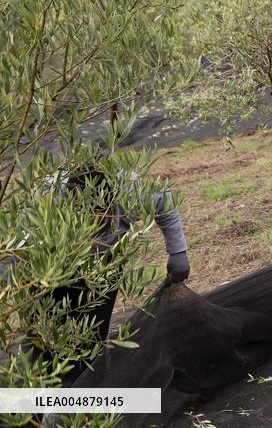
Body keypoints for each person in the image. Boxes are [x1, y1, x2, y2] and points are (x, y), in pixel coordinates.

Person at [27, 156, 190, 383]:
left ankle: (84, 389)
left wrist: (178, 252)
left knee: (90, 334)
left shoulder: (132, 193)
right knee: (45, 336)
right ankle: (45, 388)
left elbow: (167, 203)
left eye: (101, 213)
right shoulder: (46, 201)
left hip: (106, 262)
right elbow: (20, 250)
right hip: (52, 263)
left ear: (112, 199)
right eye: (87, 216)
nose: (96, 221)